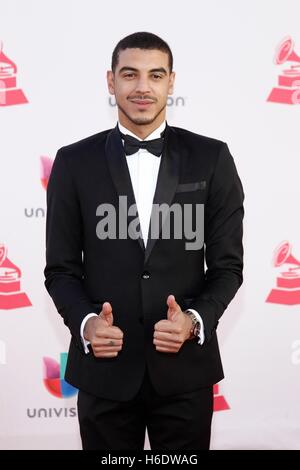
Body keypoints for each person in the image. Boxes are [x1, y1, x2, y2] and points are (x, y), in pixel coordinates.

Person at [44, 31, 244, 451]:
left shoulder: (213, 157)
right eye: (130, 74)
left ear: (171, 82)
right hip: (104, 372)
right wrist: (87, 324)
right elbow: (61, 270)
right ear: (110, 81)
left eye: (155, 75)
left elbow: (227, 268)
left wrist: (193, 321)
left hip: (185, 374)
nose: (142, 87)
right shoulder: (73, 162)